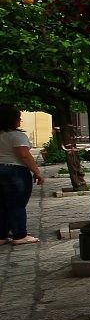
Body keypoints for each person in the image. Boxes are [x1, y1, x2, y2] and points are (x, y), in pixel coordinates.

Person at [0, 105, 44, 245]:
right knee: (17, 203)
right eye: (18, 118)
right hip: (15, 171)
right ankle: (20, 235)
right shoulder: (17, 136)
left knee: (1, 204)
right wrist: (36, 172)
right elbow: (24, 155)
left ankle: (2, 235)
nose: (20, 120)